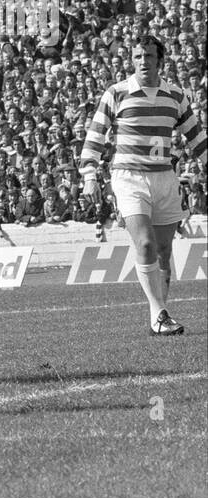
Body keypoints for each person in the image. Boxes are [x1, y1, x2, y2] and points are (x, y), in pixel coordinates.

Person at [79, 36, 206, 335]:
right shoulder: (117, 93)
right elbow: (95, 135)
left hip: (164, 177)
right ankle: (158, 313)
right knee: (145, 244)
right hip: (129, 177)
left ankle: (160, 316)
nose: (142, 61)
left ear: (159, 60)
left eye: (148, 55)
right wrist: (89, 175)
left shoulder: (175, 95)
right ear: (131, 60)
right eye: (137, 56)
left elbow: (197, 138)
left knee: (163, 250)